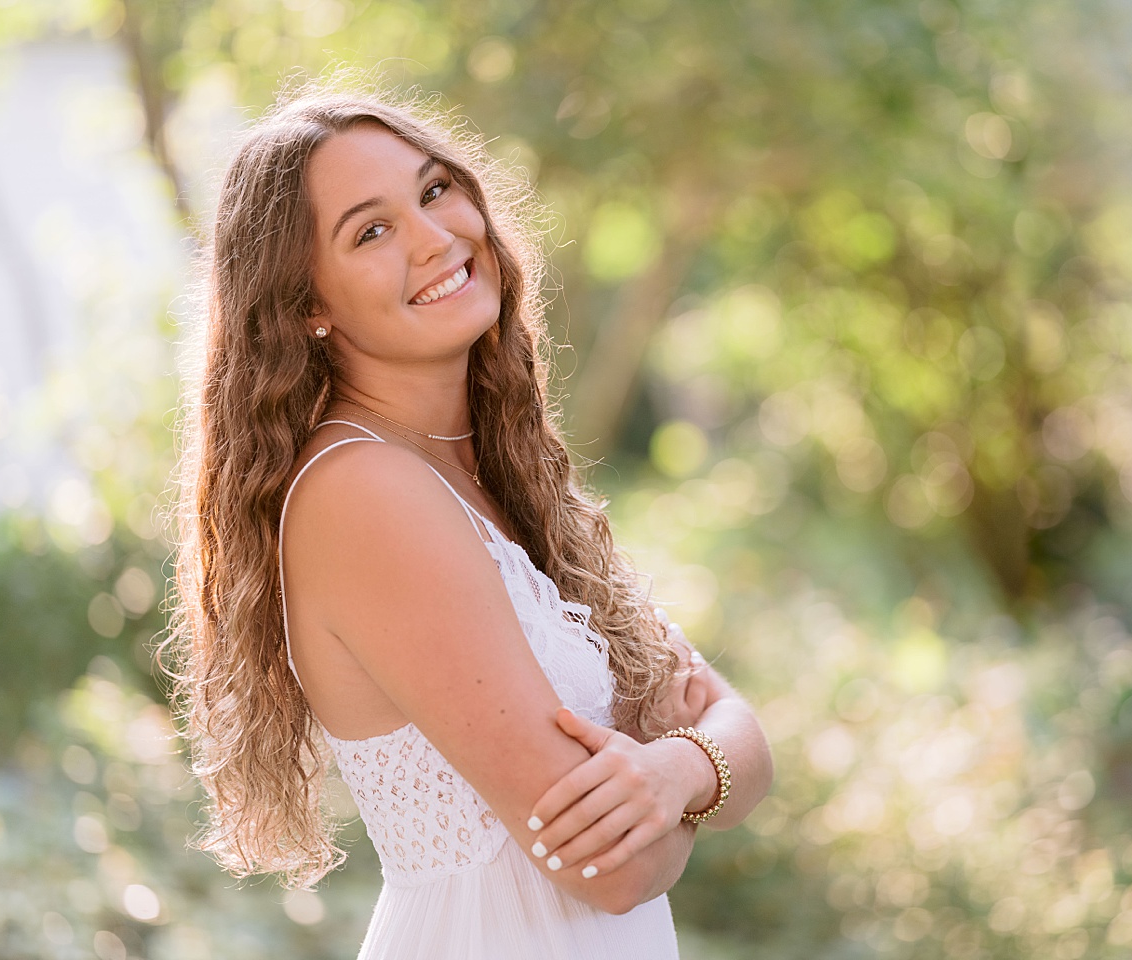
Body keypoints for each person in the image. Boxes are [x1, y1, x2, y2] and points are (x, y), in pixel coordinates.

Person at [168, 83, 773, 960]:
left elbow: (741, 732)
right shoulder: (364, 493)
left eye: (435, 190)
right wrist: (675, 768)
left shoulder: (495, 472)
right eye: (370, 232)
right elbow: (614, 870)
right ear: (309, 306)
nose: (435, 237)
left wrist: (673, 769)